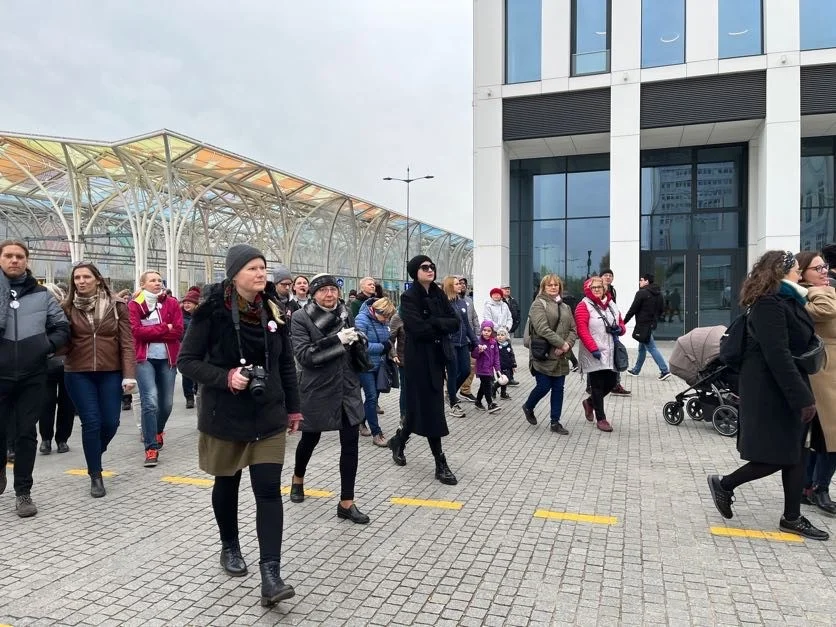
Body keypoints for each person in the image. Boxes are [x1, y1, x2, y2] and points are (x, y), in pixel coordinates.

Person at [178, 244, 301, 606]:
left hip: (267, 414)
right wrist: (226, 376)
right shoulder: (211, 312)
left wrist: (294, 408)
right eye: (252, 268)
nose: (261, 274)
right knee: (227, 482)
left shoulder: (275, 311)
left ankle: (271, 574)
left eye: (263, 267)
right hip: (224, 414)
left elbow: (285, 365)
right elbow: (187, 361)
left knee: (267, 490)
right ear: (234, 274)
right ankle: (229, 545)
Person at [707, 250, 829, 540]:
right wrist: (802, 397)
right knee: (779, 455)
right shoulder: (769, 304)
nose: (800, 274)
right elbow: (778, 355)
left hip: (785, 385)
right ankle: (725, 484)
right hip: (770, 390)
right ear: (781, 271)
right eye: (797, 269)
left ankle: (792, 517)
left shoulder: (788, 299)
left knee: (797, 452)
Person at [289, 273, 370, 524]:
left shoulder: (345, 313)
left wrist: (358, 340)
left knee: (350, 442)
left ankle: (346, 502)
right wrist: (337, 340)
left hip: (346, 387)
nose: (329, 294)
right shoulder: (301, 318)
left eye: (333, 289)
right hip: (317, 388)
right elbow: (304, 355)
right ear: (313, 294)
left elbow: (354, 345)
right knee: (310, 438)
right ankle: (297, 478)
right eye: (323, 290)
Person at [0, 240, 70, 515]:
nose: (14, 260)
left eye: (19, 256)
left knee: (26, 434)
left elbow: (61, 327)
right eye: (8, 256)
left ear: (27, 261)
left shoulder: (42, 295)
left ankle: (24, 492)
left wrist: (45, 345)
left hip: (32, 374)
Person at [62, 263, 137, 498]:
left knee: (111, 423)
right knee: (91, 423)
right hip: (77, 372)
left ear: (97, 279)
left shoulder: (117, 305)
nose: (81, 281)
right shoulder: (66, 307)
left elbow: (127, 342)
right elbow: (59, 337)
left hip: (110, 371)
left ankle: (94, 451)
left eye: (86, 277)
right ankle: (95, 473)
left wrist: (129, 374)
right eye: (77, 278)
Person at [387, 255, 459, 485]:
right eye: (424, 267)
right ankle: (440, 463)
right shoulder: (409, 297)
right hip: (417, 363)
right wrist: (439, 323)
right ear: (415, 272)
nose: (430, 270)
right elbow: (418, 330)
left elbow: (454, 321)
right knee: (432, 410)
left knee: (421, 408)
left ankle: (399, 440)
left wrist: (434, 322)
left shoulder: (438, 293)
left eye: (432, 267)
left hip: (437, 360)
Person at [129, 270, 184, 467]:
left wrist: (153, 331)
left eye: (160, 280)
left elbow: (178, 330)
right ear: (143, 284)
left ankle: (158, 430)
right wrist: (164, 328)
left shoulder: (172, 303)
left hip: (167, 359)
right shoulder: (135, 305)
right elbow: (136, 332)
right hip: (144, 360)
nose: (157, 283)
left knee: (167, 403)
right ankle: (151, 447)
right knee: (149, 401)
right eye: (152, 280)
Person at [796, 251, 836, 516]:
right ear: (803, 273)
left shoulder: (823, 290)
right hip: (824, 372)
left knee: (822, 435)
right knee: (829, 435)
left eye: (825, 267)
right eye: (817, 268)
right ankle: (819, 487)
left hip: (829, 371)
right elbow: (827, 310)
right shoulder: (810, 294)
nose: (824, 272)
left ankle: (808, 486)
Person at [522, 274, 577, 435]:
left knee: (559, 388)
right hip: (543, 354)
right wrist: (561, 343)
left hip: (561, 356)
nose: (553, 287)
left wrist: (567, 346)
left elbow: (573, 329)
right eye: (549, 285)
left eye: (556, 285)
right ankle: (528, 406)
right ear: (543, 287)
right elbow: (541, 329)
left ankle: (555, 422)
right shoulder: (538, 304)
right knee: (544, 386)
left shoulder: (565, 307)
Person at [575, 276, 625, 433]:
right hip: (593, 351)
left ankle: (590, 403)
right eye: (593, 287)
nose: (597, 289)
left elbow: (621, 323)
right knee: (596, 385)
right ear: (588, 289)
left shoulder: (611, 304)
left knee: (611, 382)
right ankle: (601, 419)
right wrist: (593, 349)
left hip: (610, 350)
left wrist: (620, 330)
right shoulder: (583, 306)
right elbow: (582, 330)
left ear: (605, 288)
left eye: (599, 287)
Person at [39, 283, 76, 455]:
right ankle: (47, 439)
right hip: (46, 364)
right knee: (47, 403)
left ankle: (61, 439)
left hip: (67, 363)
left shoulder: (67, 312)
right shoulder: (37, 315)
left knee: (65, 404)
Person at [354, 296, 396, 447]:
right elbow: (361, 346)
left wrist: (392, 352)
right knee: (371, 397)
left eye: (388, 317)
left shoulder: (384, 321)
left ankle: (361, 422)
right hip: (365, 365)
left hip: (379, 365)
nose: (386, 320)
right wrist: (382, 347)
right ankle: (376, 433)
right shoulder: (361, 319)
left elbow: (389, 341)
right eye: (384, 316)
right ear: (375, 310)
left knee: (374, 398)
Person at [624, 273, 671, 381]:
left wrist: (623, 322)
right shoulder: (659, 294)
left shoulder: (641, 293)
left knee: (651, 347)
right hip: (650, 324)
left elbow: (633, 309)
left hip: (642, 325)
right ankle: (636, 370)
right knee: (642, 348)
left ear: (647, 281)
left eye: (641, 280)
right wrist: (654, 319)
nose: (640, 282)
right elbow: (661, 309)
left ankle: (665, 370)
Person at [444, 276, 477, 418]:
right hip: (451, 343)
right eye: (457, 284)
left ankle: (450, 393)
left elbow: (467, 325)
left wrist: (475, 341)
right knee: (452, 372)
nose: (460, 286)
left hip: (463, 342)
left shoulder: (462, 302)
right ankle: (453, 403)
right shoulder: (444, 304)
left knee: (465, 370)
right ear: (450, 286)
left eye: (461, 283)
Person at [456, 277, 479, 402]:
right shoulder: (450, 301)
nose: (462, 286)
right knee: (456, 367)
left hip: (470, 340)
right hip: (456, 340)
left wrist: (477, 335)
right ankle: (451, 391)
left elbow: (474, 319)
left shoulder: (469, 300)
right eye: (459, 283)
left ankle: (465, 390)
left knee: (471, 366)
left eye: (464, 283)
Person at [472, 320, 501, 413]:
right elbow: (474, 355)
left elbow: (496, 356)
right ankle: (490, 404)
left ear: (492, 332)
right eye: (484, 330)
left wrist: (497, 369)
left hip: (489, 369)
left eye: (489, 331)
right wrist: (478, 351)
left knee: (483, 385)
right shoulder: (478, 341)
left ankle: (478, 401)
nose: (486, 332)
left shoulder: (493, 342)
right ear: (481, 330)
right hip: (481, 368)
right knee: (487, 385)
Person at [180, 286, 201, 409]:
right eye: (185, 303)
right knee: (186, 374)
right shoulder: (180, 316)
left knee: (198, 374)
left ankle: (197, 391)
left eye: (189, 303)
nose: (186, 305)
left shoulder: (200, 316)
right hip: (185, 348)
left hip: (199, 350)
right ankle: (189, 397)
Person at [389, 310, 407, 425]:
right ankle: (404, 416)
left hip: (421, 360)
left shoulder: (422, 314)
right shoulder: (398, 317)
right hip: (404, 360)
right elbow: (390, 339)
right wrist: (394, 354)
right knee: (406, 389)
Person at [494, 327, 516, 400]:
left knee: (506, 380)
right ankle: (493, 388)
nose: (500, 336)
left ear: (506, 336)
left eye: (502, 335)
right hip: (499, 366)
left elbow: (511, 355)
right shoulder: (495, 345)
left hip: (508, 366)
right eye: (498, 334)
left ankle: (503, 393)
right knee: (502, 380)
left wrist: (513, 365)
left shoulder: (508, 345)